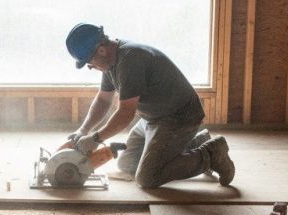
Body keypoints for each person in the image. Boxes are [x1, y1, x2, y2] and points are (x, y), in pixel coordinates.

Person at [64, 23, 235, 188]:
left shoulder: (130, 60)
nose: (90, 67)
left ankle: (212, 154)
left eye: (89, 63)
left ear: (101, 50)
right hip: (152, 118)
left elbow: (125, 114)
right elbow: (103, 100)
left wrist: (96, 138)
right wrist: (83, 130)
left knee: (148, 176)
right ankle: (199, 142)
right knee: (128, 163)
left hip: (179, 117)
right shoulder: (110, 62)